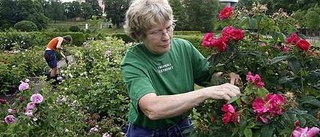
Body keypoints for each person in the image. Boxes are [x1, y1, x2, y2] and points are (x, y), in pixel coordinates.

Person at [120, 0, 241, 136]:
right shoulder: (134, 60)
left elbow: (208, 75)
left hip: (182, 125)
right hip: (147, 132)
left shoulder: (184, 47)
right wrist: (205, 93)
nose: (166, 37)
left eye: (169, 27)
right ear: (138, 35)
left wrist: (225, 77)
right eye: (156, 32)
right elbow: (152, 109)